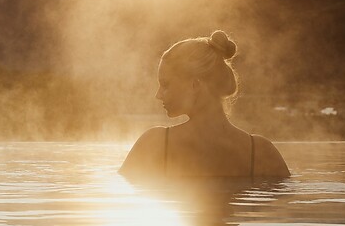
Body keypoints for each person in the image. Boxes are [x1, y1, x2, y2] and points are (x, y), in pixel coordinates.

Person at [120, 30, 289, 182]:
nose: (158, 94)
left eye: (165, 84)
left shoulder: (154, 144)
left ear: (195, 85)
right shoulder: (261, 152)